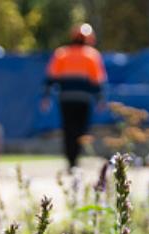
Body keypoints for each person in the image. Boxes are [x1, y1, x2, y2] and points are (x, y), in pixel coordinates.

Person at [45, 23, 107, 170]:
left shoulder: (62, 53)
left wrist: (45, 97)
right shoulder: (92, 55)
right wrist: (100, 99)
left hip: (66, 99)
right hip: (83, 100)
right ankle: (75, 160)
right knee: (80, 130)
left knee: (68, 130)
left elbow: (51, 78)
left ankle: (71, 160)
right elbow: (98, 81)